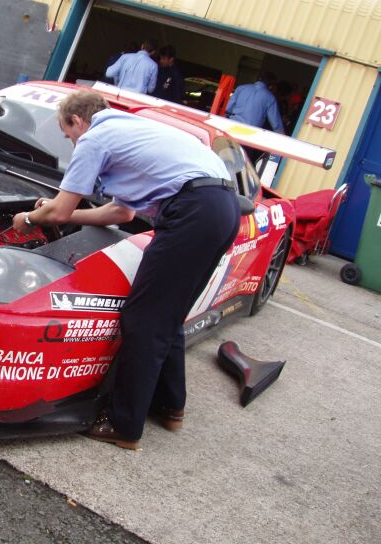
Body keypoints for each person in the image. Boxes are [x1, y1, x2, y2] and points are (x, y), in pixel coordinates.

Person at [12, 90, 240, 450]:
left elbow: (57, 213)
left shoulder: (95, 137)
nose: (72, 143)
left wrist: (27, 217)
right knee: (167, 316)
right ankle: (169, 406)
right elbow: (120, 214)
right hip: (222, 209)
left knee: (143, 317)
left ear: (76, 121)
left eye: (67, 134)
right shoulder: (130, 130)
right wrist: (59, 210)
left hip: (192, 212)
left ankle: (123, 425)